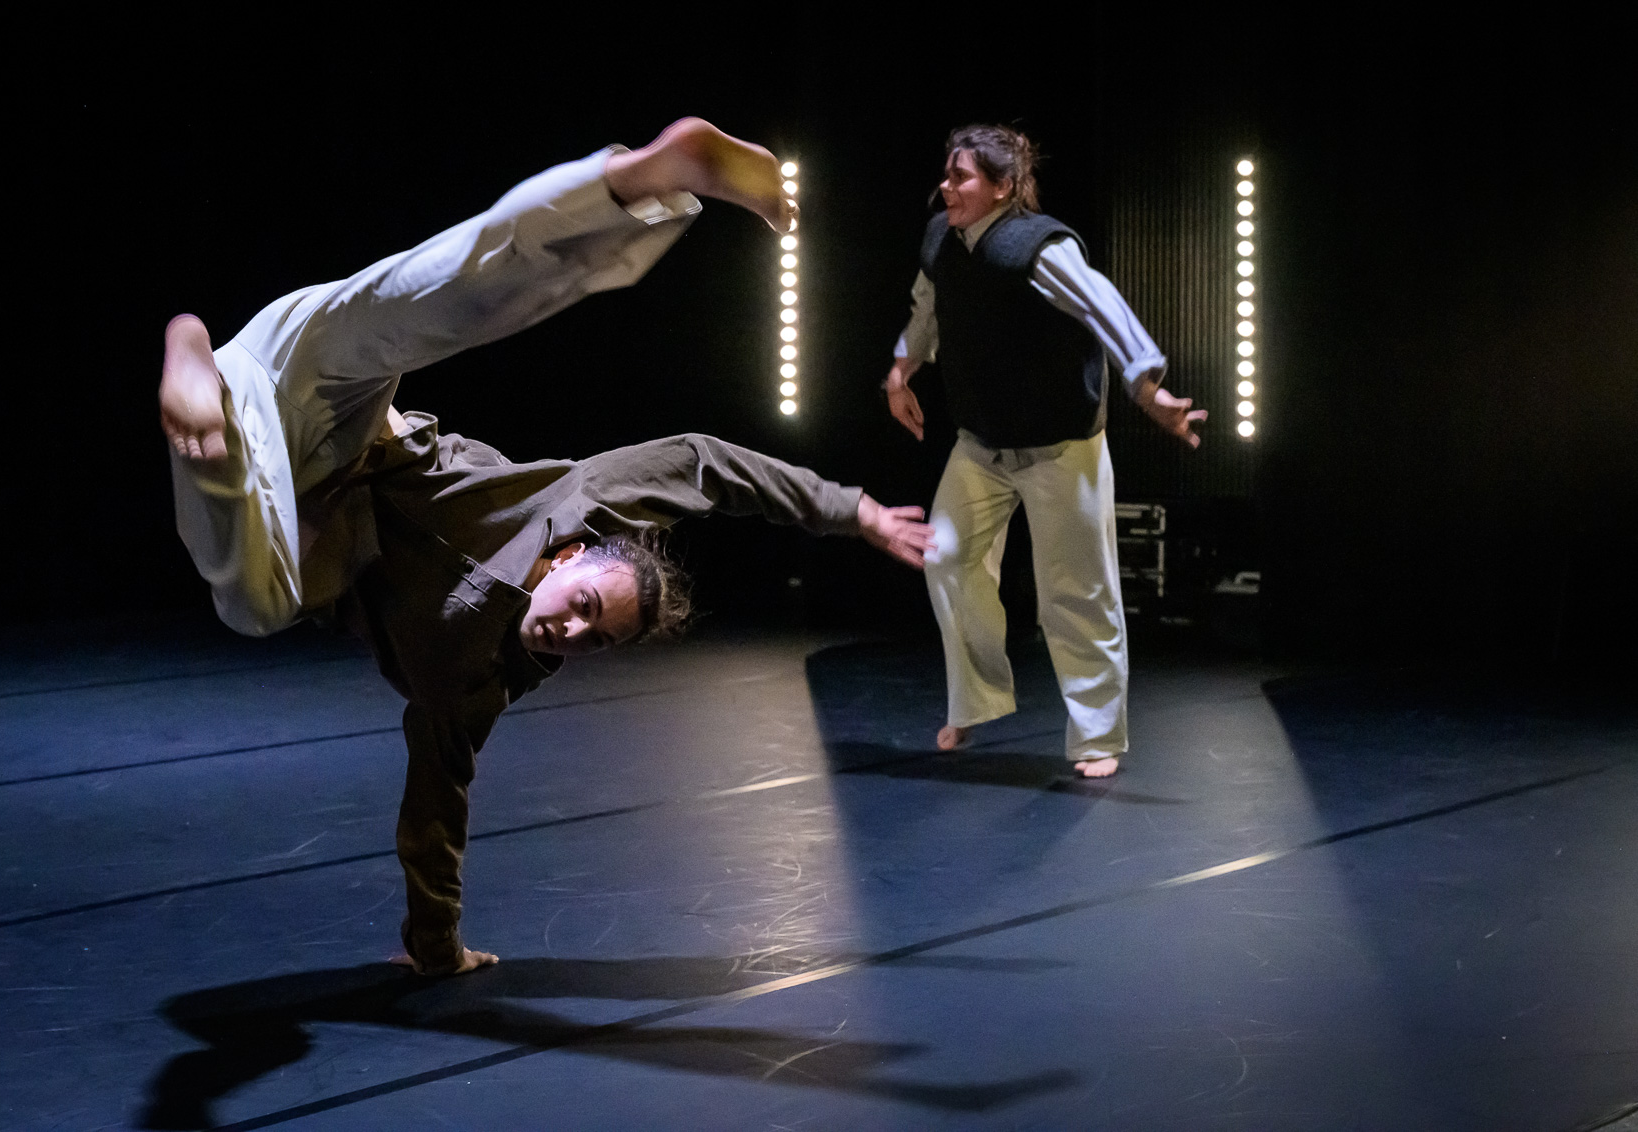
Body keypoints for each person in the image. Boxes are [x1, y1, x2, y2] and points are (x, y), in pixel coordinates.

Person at [160, 119, 935, 976]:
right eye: (585, 611)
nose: (571, 635)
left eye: (592, 643)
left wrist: (436, 946)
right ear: (573, 560)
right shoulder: (581, 500)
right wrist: (853, 510)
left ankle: (193, 356)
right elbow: (710, 466)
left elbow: (434, 809)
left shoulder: (476, 684)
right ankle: (641, 179)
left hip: (266, 469)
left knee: (256, 603)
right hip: (336, 399)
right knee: (442, 303)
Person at [881, 124, 1205, 779]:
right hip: (982, 443)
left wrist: (1146, 387)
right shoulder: (943, 237)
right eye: (946, 173)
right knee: (945, 557)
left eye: (961, 176)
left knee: (1075, 592)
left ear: (1002, 188)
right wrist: (901, 369)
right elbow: (928, 304)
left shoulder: (1038, 246)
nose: (946, 186)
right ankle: (974, 701)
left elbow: (1102, 304)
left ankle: (1096, 737)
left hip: (1062, 447)